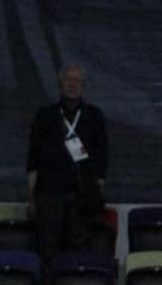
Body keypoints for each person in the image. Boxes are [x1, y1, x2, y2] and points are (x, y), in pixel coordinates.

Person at [26, 63, 108, 273]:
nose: (73, 84)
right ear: (59, 85)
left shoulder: (94, 115)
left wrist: (97, 189)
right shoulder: (45, 115)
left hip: (81, 193)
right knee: (48, 248)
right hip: (49, 192)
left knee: (79, 247)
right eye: (68, 80)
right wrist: (32, 195)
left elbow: (101, 157)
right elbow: (33, 157)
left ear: (83, 86)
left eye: (77, 81)